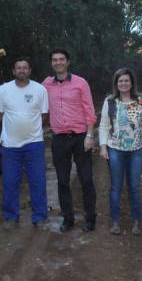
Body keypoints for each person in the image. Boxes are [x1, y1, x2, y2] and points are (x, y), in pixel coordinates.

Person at [42, 48, 98, 232]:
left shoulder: (80, 83)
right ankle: (68, 219)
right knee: (62, 181)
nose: (58, 62)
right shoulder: (46, 85)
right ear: (52, 63)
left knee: (86, 179)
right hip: (59, 139)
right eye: (54, 60)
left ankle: (90, 219)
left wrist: (90, 135)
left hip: (81, 137)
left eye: (61, 59)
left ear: (68, 62)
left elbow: (89, 111)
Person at [0, 57, 49, 227]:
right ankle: (11, 217)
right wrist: (14, 127)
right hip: (10, 145)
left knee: (38, 181)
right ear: (13, 71)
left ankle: (39, 217)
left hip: (34, 143)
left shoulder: (40, 89)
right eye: (19, 68)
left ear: (30, 71)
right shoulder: (3, 90)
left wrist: (28, 127)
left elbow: (44, 115)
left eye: (25, 68)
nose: (22, 70)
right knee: (10, 182)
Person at [98, 68, 142, 236]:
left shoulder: (141, 102)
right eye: (120, 81)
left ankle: (136, 222)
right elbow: (104, 126)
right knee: (115, 187)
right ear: (116, 83)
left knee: (134, 187)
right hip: (115, 150)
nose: (123, 83)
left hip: (136, 151)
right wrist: (103, 146)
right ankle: (115, 222)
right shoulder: (110, 101)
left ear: (131, 83)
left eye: (126, 81)